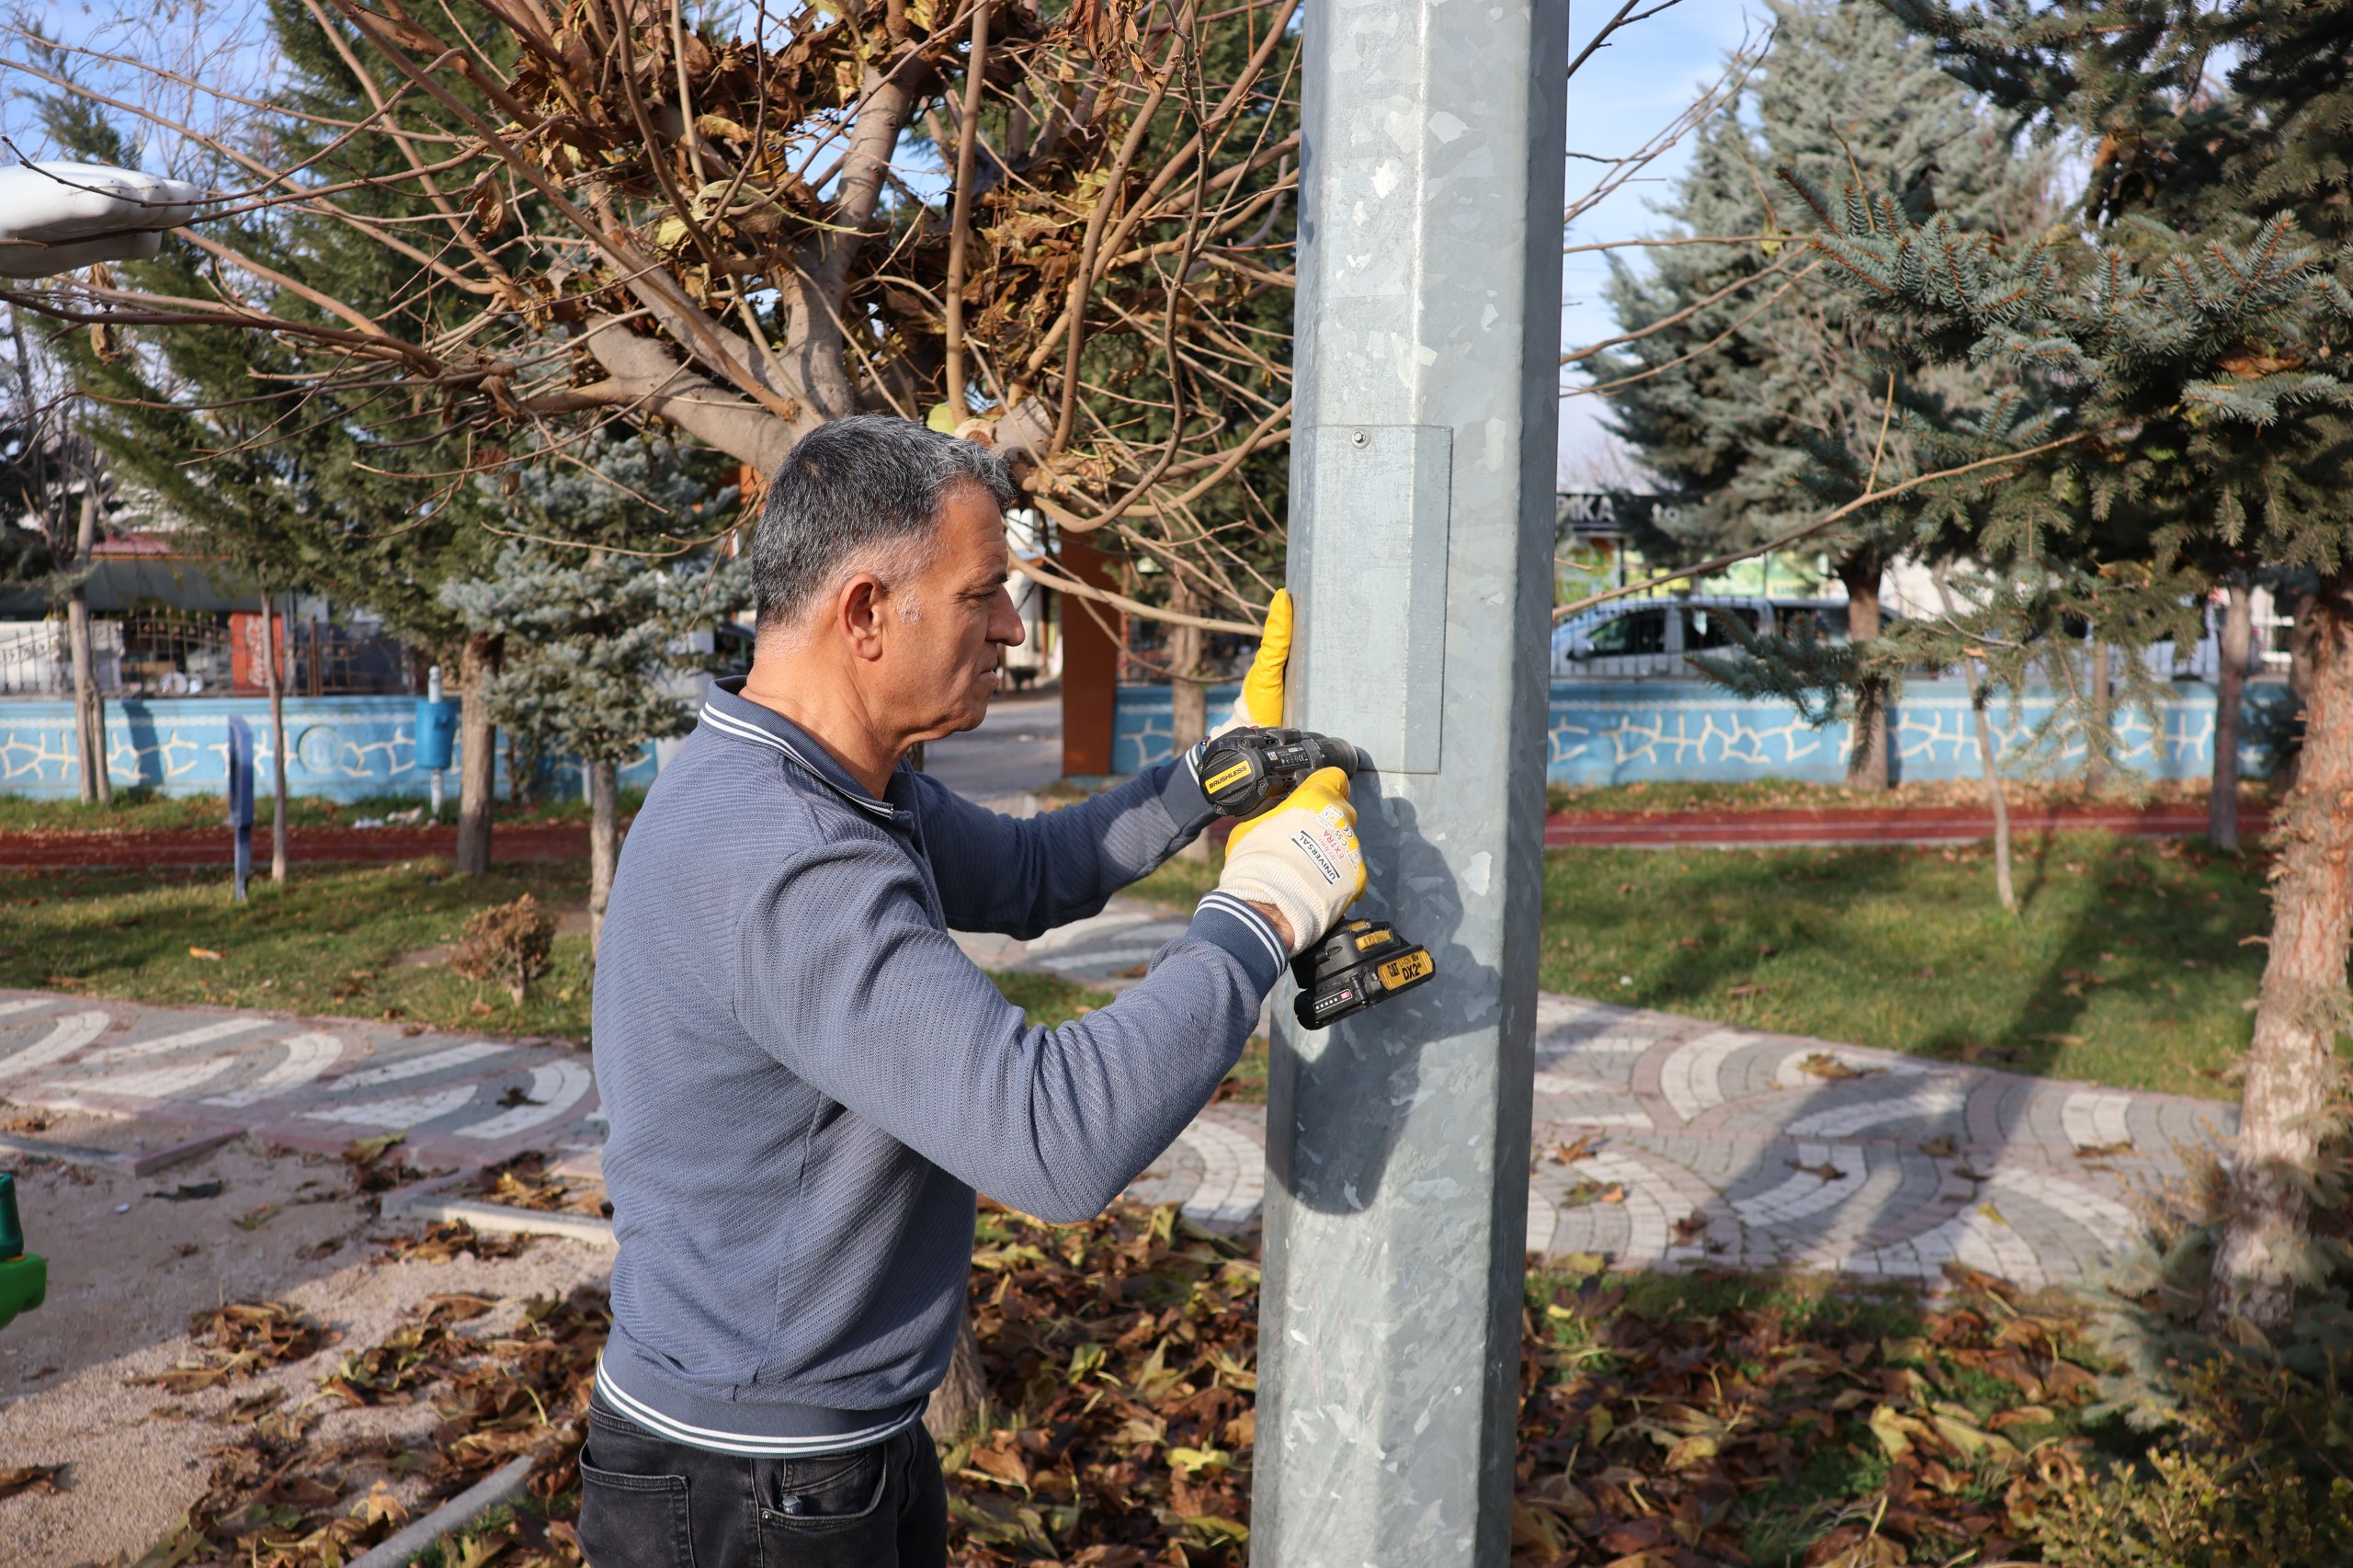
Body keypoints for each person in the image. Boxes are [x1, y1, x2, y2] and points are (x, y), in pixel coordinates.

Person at [578, 415, 1365, 1567]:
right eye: (982, 593)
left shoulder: (836, 777)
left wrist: (1208, 776)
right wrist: (1259, 914)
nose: (1010, 623)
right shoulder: (784, 853)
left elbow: (1033, 871)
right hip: (745, 1488)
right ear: (864, 612)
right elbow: (1055, 1136)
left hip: (832, 1448)